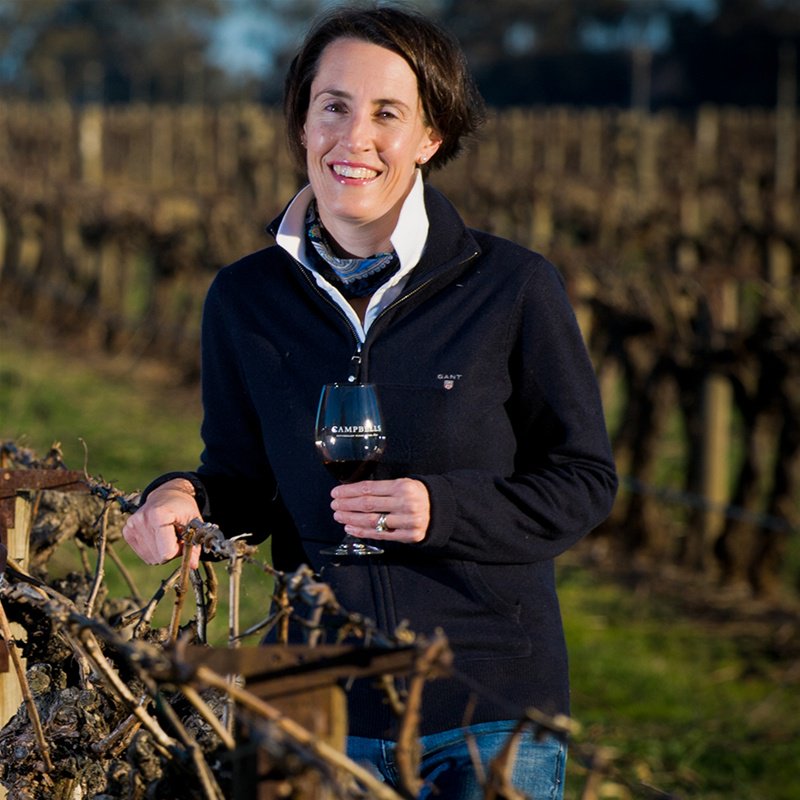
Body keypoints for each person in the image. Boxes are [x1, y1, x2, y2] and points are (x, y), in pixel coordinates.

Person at [123, 4, 618, 798]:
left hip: (487, 709)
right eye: (334, 107)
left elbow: (583, 482)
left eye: (388, 113)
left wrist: (443, 510)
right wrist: (182, 496)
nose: (354, 138)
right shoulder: (245, 299)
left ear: (432, 136)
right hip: (311, 706)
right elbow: (244, 481)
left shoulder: (512, 288)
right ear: (302, 123)